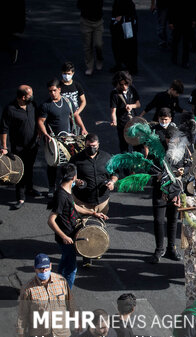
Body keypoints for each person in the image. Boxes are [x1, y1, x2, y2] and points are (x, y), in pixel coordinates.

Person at [47, 163, 109, 288]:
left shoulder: (67, 189)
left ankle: (55, 286)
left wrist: (93, 213)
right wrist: (64, 237)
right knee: (71, 269)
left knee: (65, 262)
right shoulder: (61, 196)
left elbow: (74, 207)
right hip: (66, 237)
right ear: (74, 177)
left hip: (70, 234)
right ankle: (66, 293)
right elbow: (51, 220)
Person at [16, 253, 75, 337]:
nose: (43, 271)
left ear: (51, 266)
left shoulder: (61, 281)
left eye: (46, 268)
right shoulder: (28, 289)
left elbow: (70, 303)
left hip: (62, 333)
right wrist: (21, 336)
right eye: (40, 269)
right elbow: (22, 314)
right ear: (35, 269)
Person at [70, 133, 117, 266]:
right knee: (85, 228)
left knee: (99, 226)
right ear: (85, 145)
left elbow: (115, 173)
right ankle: (86, 256)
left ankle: (96, 249)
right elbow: (69, 177)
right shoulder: (76, 159)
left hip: (102, 200)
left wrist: (112, 182)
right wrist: (76, 182)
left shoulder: (107, 157)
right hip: (83, 201)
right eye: (89, 146)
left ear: (98, 145)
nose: (92, 148)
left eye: (94, 146)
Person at [38, 78, 88, 197]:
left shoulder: (68, 101)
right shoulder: (46, 105)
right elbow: (40, 121)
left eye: (54, 90)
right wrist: (45, 134)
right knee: (52, 164)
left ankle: (70, 185)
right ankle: (51, 187)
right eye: (50, 91)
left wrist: (83, 128)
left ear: (59, 89)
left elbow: (75, 115)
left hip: (67, 138)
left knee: (70, 162)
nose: (52, 93)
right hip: (53, 139)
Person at [148, 108, 182, 263]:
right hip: (160, 190)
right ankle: (159, 249)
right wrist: (158, 175)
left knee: (173, 220)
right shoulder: (156, 152)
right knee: (159, 221)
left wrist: (183, 171)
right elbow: (148, 166)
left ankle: (171, 249)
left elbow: (188, 165)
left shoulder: (181, 150)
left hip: (175, 190)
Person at [1, 85, 40, 209]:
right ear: (23, 97)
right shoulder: (10, 109)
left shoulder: (32, 105)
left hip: (33, 145)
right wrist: (4, 146)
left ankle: (30, 189)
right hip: (19, 147)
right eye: (30, 95)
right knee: (20, 171)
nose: (32, 97)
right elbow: (4, 129)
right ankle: (20, 197)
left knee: (30, 168)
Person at [110, 70, 141, 153]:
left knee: (137, 144)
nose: (124, 86)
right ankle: (126, 163)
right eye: (121, 84)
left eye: (126, 84)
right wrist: (114, 121)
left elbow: (138, 104)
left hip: (133, 121)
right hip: (122, 123)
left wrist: (131, 106)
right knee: (124, 145)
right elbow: (113, 111)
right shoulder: (114, 94)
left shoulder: (132, 89)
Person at [110, 0, 138, 74]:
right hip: (123, 26)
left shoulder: (126, 3)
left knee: (126, 46)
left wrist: (122, 17)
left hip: (124, 26)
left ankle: (129, 66)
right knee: (121, 45)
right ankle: (124, 65)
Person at [77, 0, 104, 75]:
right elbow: (79, 5)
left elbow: (101, 4)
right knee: (88, 45)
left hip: (98, 21)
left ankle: (99, 59)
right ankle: (89, 67)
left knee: (98, 44)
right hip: (86, 21)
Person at [169, 0, 195, 68]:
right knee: (176, 41)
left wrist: (193, 20)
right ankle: (175, 58)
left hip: (187, 21)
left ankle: (185, 61)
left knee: (185, 43)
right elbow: (171, 8)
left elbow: (193, 7)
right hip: (177, 20)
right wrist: (171, 21)